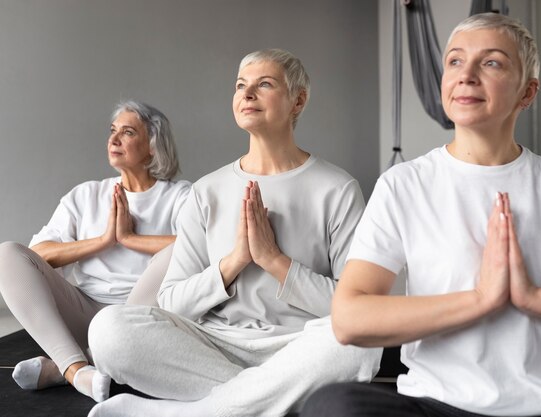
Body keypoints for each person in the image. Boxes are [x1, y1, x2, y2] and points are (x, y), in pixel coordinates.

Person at [301, 12, 541, 417]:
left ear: (527, 92)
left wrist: (535, 297)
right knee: (333, 406)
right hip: (438, 405)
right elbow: (350, 318)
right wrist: (479, 299)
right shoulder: (403, 184)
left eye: (491, 62)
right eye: (455, 60)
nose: (466, 75)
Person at [85, 48, 381, 417]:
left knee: (359, 346)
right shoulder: (207, 190)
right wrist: (234, 262)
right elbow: (174, 302)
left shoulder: (337, 188)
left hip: (300, 347)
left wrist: (275, 262)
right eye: (241, 86)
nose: (247, 94)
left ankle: (190, 412)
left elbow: (353, 307)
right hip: (214, 345)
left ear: (298, 100)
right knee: (108, 329)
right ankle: (261, 401)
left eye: (265, 84)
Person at [0, 100, 191, 402]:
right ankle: (76, 370)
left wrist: (129, 238)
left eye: (127, 132)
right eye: (112, 131)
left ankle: (64, 367)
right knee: (7, 253)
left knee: (179, 251)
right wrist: (104, 240)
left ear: (153, 146)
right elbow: (38, 256)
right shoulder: (86, 194)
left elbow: (200, 250)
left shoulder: (181, 196)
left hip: (142, 322)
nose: (114, 139)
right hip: (85, 313)